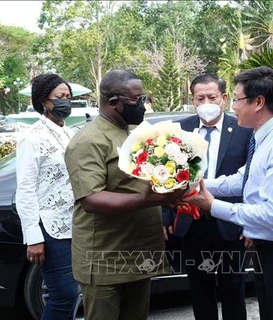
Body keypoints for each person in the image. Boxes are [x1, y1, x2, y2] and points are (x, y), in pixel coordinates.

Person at [184, 67, 273, 320]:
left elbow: (272, 214)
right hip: (270, 250)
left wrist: (212, 205)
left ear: (259, 102)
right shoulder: (265, 137)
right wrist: (195, 183)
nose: (232, 106)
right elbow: (241, 181)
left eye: (235, 99)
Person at [64, 69, 184, 320]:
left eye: (144, 98)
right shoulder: (89, 141)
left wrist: (170, 198)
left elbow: (136, 184)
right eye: (137, 100)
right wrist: (145, 200)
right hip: (106, 258)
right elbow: (91, 199)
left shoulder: (130, 133)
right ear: (113, 103)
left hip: (138, 253)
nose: (144, 105)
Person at [163, 74, 252, 320]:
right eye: (200, 98)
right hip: (191, 224)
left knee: (233, 291)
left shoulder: (244, 130)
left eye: (211, 97)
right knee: (200, 292)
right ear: (192, 100)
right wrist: (165, 216)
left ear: (224, 98)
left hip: (230, 225)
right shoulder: (179, 129)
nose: (206, 102)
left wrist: (250, 222)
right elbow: (165, 176)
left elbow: (251, 180)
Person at [16, 73, 79, 320]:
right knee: (64, 295)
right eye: (58, 97)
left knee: (74, 293)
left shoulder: (71, 133)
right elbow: (25, 188)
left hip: (77, 224)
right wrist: (33, 237)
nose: (65, 101)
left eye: (68, 96)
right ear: (44, 101)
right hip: (51, 228)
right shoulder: (32, 138)